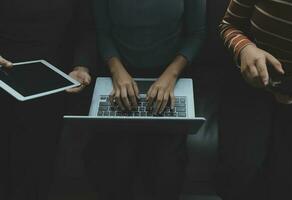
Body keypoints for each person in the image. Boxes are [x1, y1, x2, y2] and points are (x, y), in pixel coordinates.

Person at [83, 0, 206, 199]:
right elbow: (102, 31)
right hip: (120, 73)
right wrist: (117, 72)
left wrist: (171, 76)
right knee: (116, 161)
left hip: (169, 74)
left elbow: (197, 34)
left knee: (167, 166)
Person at [0, 0, 95, 199]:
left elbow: (86, 27)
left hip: (52, 86)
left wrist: (81, 66)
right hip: (4, 80)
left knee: (40, 167)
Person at [215, 0, 292, 199]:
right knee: (239, 169)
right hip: (251, 83)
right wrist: (245, 49)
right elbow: (228, 25)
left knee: (288, 181)